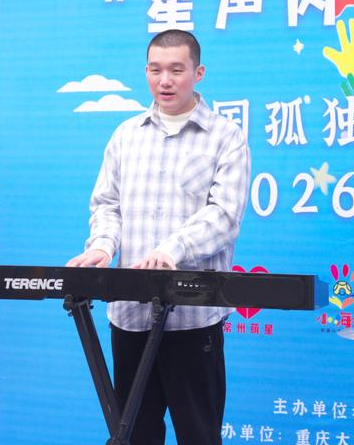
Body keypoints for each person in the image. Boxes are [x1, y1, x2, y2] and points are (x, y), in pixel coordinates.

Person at [67, 29, 251, 444]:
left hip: (192, 318)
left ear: (198, 73)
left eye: (176, 70)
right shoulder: (126, 135)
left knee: (199, 435)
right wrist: (102, 247)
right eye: (155, 70)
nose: (164, 81)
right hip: (130, 315)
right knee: (135, 434)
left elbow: (224, 215)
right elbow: (107, 205)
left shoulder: (226, 136)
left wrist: (172, 249)